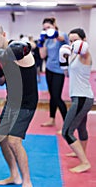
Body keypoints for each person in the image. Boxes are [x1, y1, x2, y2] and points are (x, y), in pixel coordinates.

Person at [0, 23, 38, 187]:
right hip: (12, 101)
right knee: (1, 138)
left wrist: (10, 56)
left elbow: (27, 48)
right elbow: (0, 82)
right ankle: (15, 175)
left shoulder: (16, 49)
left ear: (4, 35)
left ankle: (27, 181)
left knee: (14, 141)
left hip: (26, 102)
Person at [59, 28, 94, 173]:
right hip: (80, 96)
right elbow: (67, 74)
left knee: (67, 132)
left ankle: (85, 162)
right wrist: (63, 60)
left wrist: (77, 45)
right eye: (70, 40)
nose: (72, 43)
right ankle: (81, 152)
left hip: (82, 98)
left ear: (83, 40)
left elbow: (83, 49)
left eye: (76, 40)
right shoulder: (73, 55)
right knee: (81, 128)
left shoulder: (84, 53)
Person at [38, 17, 69, 129]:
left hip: (59, 71)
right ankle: (52, 119)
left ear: (54, 25)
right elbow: (42, 55)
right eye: (44, 28)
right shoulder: (47, 39)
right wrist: (41, 43)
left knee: (57, 97)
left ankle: (67, 125)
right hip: (49, 69)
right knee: (52, 96)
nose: (46, 30)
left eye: (48, 27)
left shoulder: (63, 35)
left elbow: (60, 38)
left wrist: (53, 33)